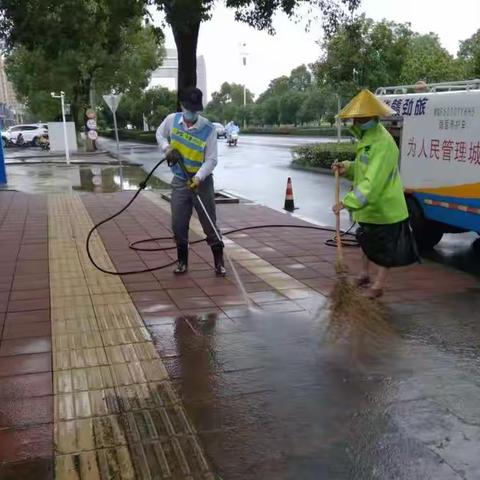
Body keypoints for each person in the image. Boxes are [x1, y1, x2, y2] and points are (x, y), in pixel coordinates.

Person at [332, 89, 418, 298]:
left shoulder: (382, 143)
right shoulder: (368, 139)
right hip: (371, 208)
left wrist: (347, 203)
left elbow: (372, 183)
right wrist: (346, 167)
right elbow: (363, 169)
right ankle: (364, 274)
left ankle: (378, 286)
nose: (355, 121)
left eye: (358, 118)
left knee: (384, 249)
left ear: (370, 117)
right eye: (354, 118)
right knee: (367, 242)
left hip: (385, 208)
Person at [156, 87, 226, 276]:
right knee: (178, 224)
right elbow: (159, 134)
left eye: (195, 110)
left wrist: (198, 177)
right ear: (182, 106)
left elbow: (211, 159)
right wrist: (167, 148)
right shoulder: (172, 120)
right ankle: (182, 261)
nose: (191, 114)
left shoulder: (208, 129)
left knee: (209, 223)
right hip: (180, 180)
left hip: (201, 183)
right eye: (188, 109)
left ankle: (219, 262)